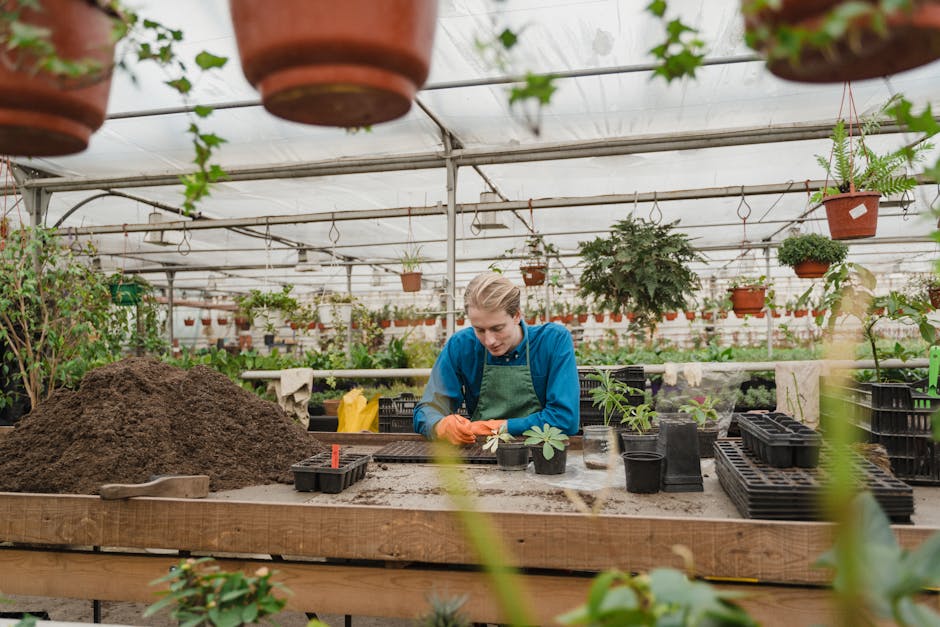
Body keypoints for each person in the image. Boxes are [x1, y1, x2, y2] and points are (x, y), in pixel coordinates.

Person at [413, 272, 579, 444]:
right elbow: (427, 409)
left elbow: (565, 418)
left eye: (497, 328)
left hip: (540, 451)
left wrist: (497, 427)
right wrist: (440, 425)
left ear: (516, 315)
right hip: (480, 451)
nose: (489, 340)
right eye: (479, 330)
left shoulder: (552, 341)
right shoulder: (462, 345)